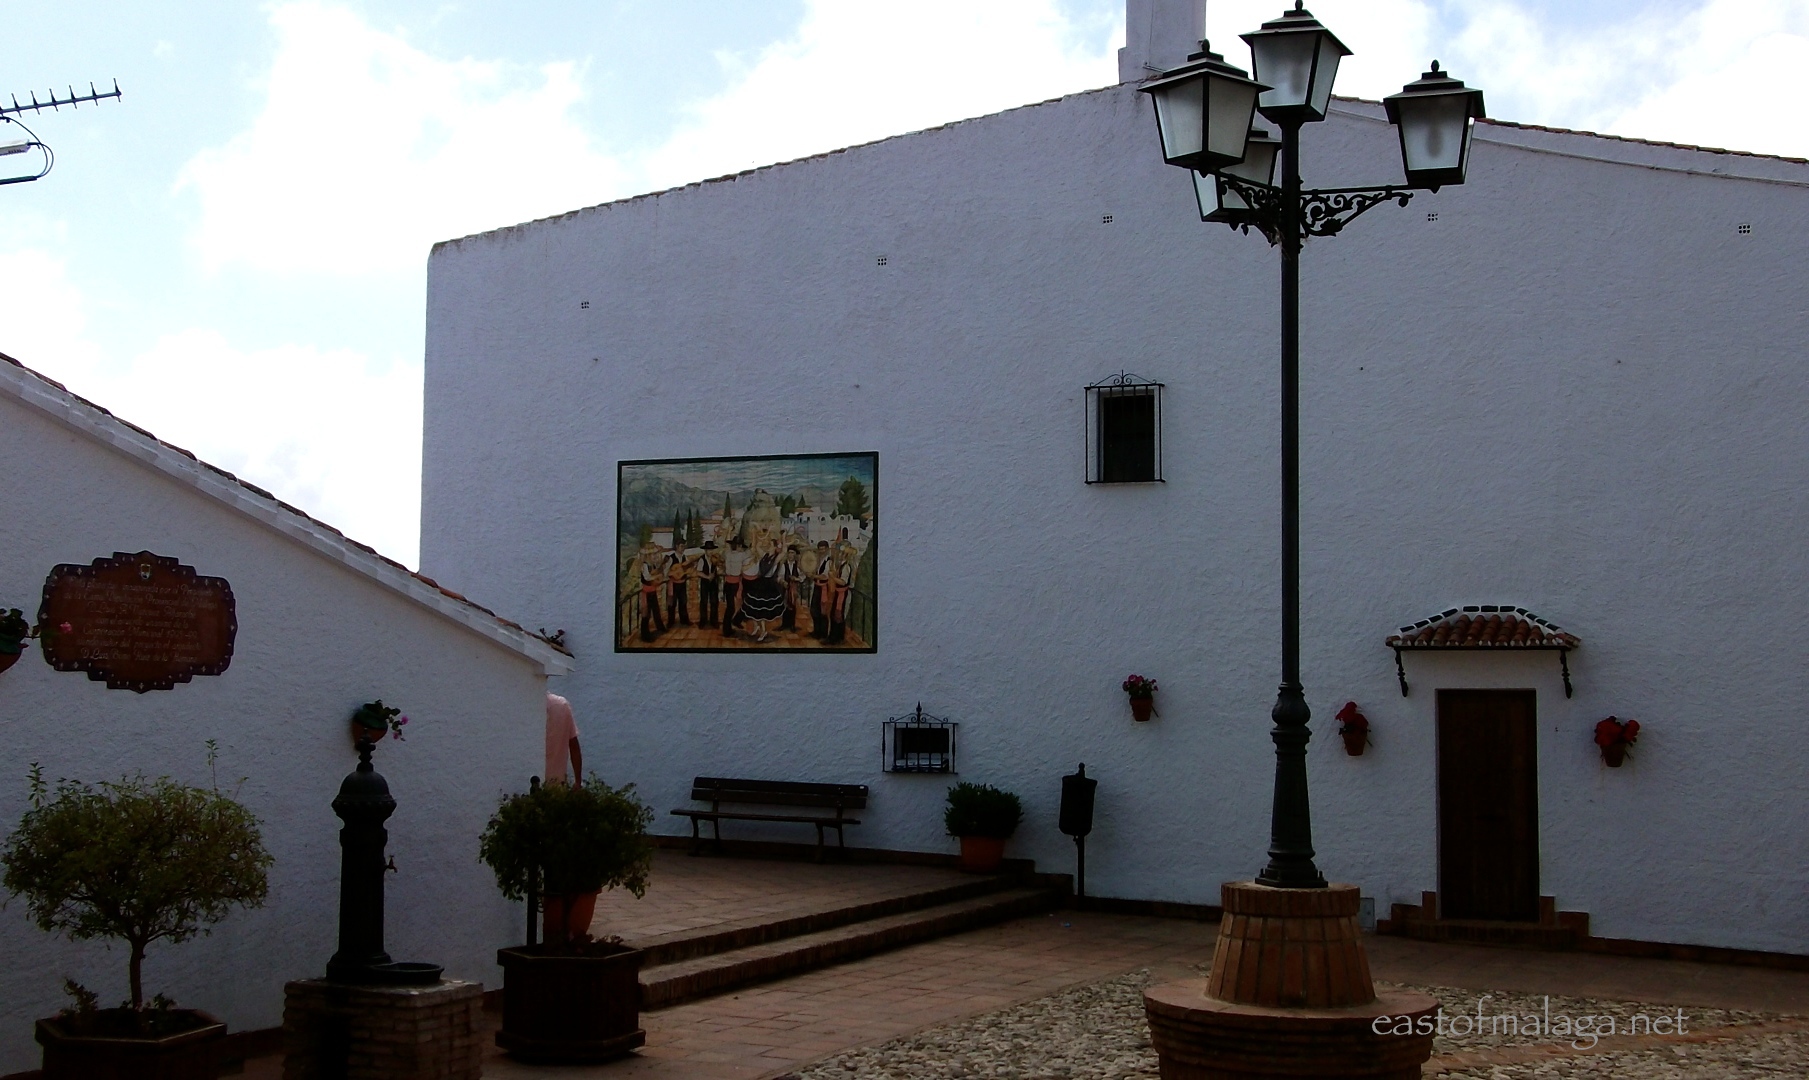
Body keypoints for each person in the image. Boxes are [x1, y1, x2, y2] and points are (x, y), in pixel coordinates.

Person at [542, 691, 596, 940]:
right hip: (557, 787)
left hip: (533, 785)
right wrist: (577, 781)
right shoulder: (562, 705)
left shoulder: (528, 702)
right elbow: (574, 744)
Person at [739, 538, 787, 643]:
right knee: (753, 606)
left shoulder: (775, 558)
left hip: (768, 585)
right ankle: (756, 626)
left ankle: (763, 631)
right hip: (759, 583)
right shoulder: (764, 555)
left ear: (775, 547)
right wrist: (762, 537)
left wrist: (783, 538)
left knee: (762, 609)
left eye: (770, 544)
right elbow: (757, 546)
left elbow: (784, 551)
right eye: (768, 544)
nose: (768, 546)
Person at [637, 545, 667, 642]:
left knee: (656, 611)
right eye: (653, 554)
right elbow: (647, 577)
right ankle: (645, 635)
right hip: (646, 592)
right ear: (648, 556)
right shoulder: (645, 565)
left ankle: (660, 628)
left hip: (652, 591)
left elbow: (655, 573)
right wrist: (657, 576)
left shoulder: (652, 565)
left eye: (655, 554)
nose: (655, 556)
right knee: (646, 614)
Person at [721, 537, 746, 638]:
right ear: (739, 546)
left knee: (730, 607)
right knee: (734, 607)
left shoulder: (728, 554)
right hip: (735, 582)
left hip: (728, 583)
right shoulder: (741, 555)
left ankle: (727, 628)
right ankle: (728, 628)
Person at [664, 545, 692, 627]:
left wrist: (687, 570)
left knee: (683, 602)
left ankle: (684, 620)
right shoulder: (671, 558)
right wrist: (675, 573)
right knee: (672, 603)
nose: (683, 548)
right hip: (673, 584)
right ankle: (671, 621)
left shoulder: (685, 557)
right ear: (677, 546)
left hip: (682, 583)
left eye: (684, 547)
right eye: (681, 546)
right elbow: (666, 572)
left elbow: (687, 570)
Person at [695, 540, 720, 628]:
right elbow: (698, 572)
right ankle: (703, 621)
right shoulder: (702, 559)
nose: (711, 552)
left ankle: (714, 621)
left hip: (713, 583)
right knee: (704, 601)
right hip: (705, 583)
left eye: (712, 550)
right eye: (709, 550)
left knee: (714, 601)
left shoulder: (715, 559)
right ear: (705, 550)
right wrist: (707, 576)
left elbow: (718, 569)